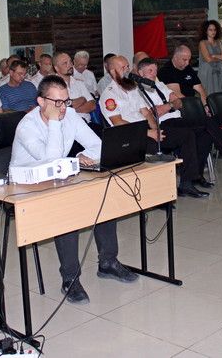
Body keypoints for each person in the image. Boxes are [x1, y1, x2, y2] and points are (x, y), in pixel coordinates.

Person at [11, 75, 137, 304]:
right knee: (66, 212)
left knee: (103, 194)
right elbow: (50, 159)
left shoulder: (69, 115)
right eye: (57, 102)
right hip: (25, 187)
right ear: (41, 101)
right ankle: (70, 278)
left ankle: (108, 262)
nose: (63, 107)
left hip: (56, 177)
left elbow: (98, 145)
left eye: (66, 101)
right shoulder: (27, 126)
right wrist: (54, 122)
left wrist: (80, 155)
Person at [99, 55, 208, 198]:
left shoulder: (132, 89)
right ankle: (157, 195)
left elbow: (146, 113)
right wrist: (147, 132)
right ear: (113, 72)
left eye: (127, 66)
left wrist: (156, 130)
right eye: (123, 67)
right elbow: (118, 122)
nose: (127, 70)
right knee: (154, 149)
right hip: (130, 137)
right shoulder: (109, 95)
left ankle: (186, 184)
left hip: (147, 130)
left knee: (187, 135)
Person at [138, 57, 222, 173]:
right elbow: (154, 113)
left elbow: (179, 102)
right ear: (140, 72)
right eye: (150, 71)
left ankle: (198, 176)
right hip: (165, 124)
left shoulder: (160, 85)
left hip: (179, 118)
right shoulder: (138, 91)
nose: (154, 74)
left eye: (155, 70)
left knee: (206, 134)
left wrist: (168, 106)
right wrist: (170, 105)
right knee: (206, 121)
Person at [53, 52, 97, 125]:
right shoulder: (52, 85)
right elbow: (58, 109)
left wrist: (71, 110)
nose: (70, 65)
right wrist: (82, 99)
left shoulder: (79, 83)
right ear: (56, 68)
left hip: (86, 123)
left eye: (70, 61)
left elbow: (92, 105)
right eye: (65, 63)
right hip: (66, 125)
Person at [197, 20, 222, 95]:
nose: (213, 32)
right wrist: (219, 58)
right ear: (205, 31)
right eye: (210, 30)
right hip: (206, 73)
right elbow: (208, 59)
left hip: (217, 71)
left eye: (214, 30)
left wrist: (214, 56)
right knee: (207, 94)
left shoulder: (219, 42)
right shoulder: (202, 43)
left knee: (218, 94)